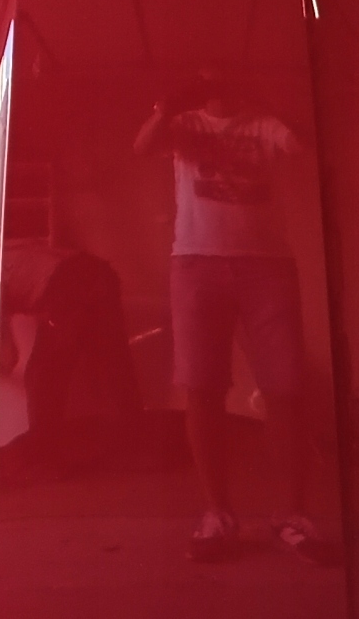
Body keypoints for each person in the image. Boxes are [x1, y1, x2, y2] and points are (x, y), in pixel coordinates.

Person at [134, 85, 339, 565]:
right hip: (196, 263)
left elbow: (305, 144)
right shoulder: (184, 124)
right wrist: (167, 105)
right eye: (206, 74)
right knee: (200, 387)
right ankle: (217, 514)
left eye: (225, 72)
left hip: (267, 266)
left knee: (285, 388)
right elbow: (143, 147)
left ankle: (292, 516)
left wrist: (272, 102)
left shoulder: (263, 123)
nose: (216, 81)